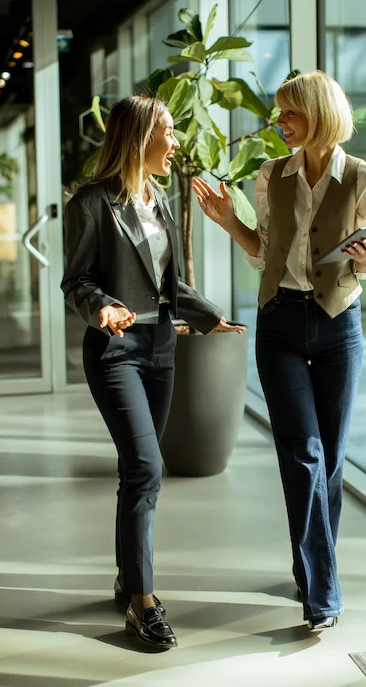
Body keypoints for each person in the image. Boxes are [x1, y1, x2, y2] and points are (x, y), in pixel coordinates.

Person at [192, 70, 366, 631]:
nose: (278, 125)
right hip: (279, 321)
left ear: (320, 115)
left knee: (329, 458)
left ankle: (311, 567)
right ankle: (323, 594)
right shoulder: (269, 176)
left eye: (289, 115)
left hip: (337, 324)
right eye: (279, 115)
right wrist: (231, 222)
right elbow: (264, 252)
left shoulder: (364, 178)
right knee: (302, 455)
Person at [61, 95, 245, 651]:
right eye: (167, 131)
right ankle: (142, 604)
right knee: (144, 466)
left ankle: (126, 575)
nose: (176, 142)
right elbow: (77, 282)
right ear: (140, 138)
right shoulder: (91, 203)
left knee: (139, 471)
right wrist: (103, 310)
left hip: (161, 346)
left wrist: (211, 318)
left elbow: (169, 286)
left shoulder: (158, 197)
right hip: (115, 349)